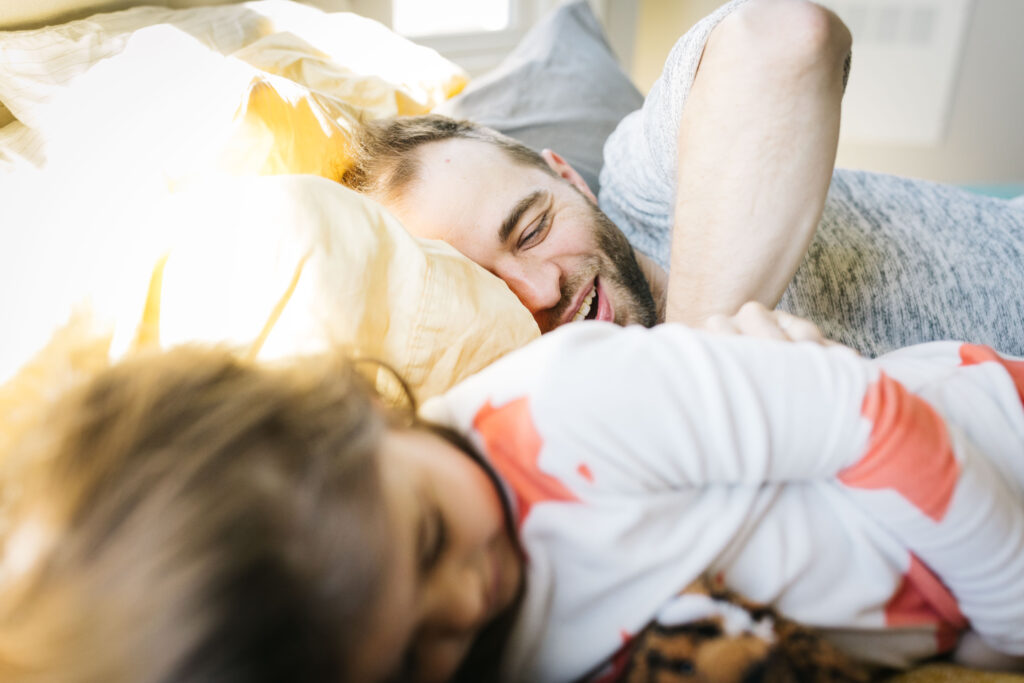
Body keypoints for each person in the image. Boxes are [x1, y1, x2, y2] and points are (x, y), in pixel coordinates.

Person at [3, 308, 1024, 683]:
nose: (468, 598)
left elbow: (866, 416)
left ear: (365, 414)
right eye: (411, 657)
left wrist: (1003, 613)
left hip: (985, 456)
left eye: (430, 536)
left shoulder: (566, 408)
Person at [339, 0, 1024, 358]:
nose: (544, 290)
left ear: (570, 177)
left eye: (534, 228)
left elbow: (791, 36)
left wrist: (692, 363)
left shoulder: (649, 184)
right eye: (488, 290)